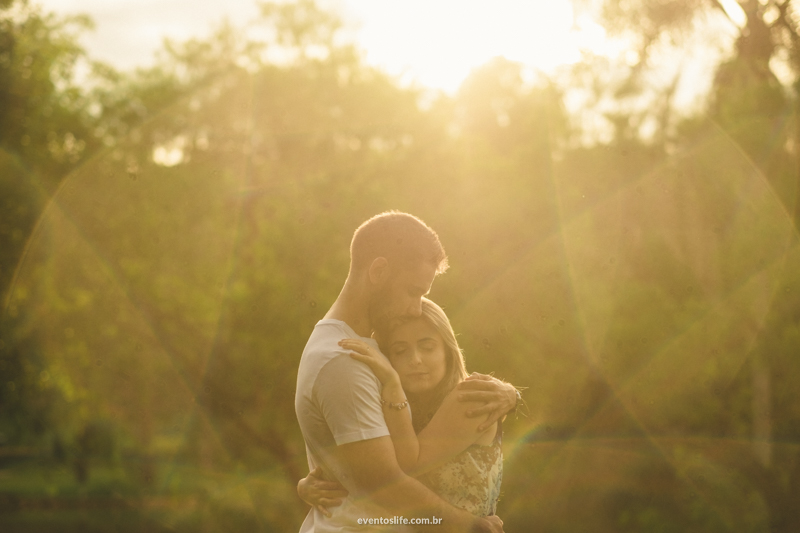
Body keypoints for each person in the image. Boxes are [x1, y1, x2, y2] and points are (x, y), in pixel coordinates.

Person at [294, 211, 517, 532]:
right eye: (414, 291)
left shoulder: (365, 349)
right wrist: (471, 527)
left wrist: (511, 393)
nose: (416, 307)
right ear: (379, 270)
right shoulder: (345, 358)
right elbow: (384, 482)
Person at [299, 297, 506, 519]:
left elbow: (406, 468)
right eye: (400, 351)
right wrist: (307, 485)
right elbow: (371, 470)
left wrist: (392, 383)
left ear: (448, 351)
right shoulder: (393, 408)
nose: (415, 359)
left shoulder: (472, 398)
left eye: (427, 347)